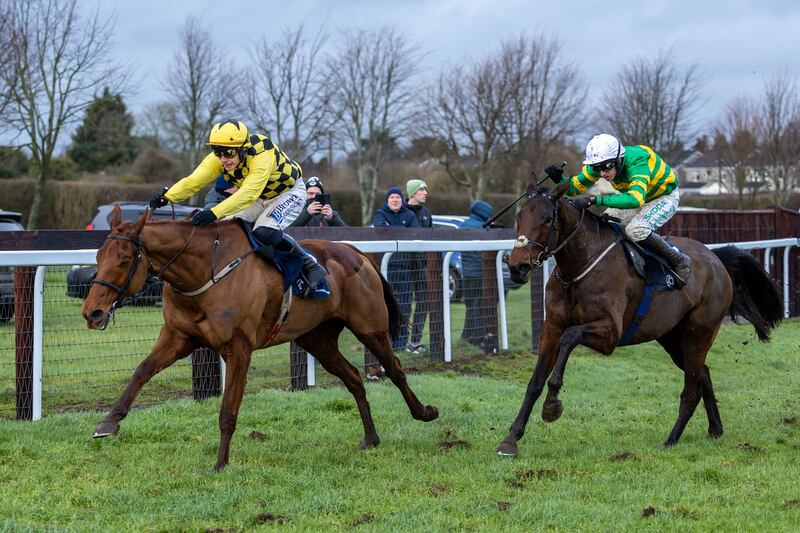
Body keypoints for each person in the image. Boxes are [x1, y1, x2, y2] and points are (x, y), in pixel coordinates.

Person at [148, 119, 327, 295]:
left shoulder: (262, 153)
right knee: (225, 229)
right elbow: (193, 181)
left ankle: (310, 264)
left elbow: (248, 193)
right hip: (260, 196)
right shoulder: (220, 158)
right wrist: (167, 197)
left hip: (288, 192)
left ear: (243, 148)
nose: (223, 159)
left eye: (228, 153)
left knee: (264, 231)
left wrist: (213, 212)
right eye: (218, 153)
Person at [545, 133, 691, 285]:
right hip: (639, 198)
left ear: (619, 159)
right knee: (604, 223)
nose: (602, 173)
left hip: (664, 198)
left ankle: (679, 260)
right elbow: (574, 189)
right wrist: (559, 179)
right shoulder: (601, 164)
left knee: (636, 230)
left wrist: (596, 199)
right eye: (597, 168)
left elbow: (635, 199)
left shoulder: (637, 160)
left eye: (606, 167)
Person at [373, 186, 420, 351]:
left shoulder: (409, 215)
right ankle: (388, 343)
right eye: (392, 197)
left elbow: (416, 233)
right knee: (388, 306)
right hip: (387, 269)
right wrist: (402, 231)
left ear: (402, 200)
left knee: (405, 306)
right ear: (387, 200)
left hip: (405, 269)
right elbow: (381, 230)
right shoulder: (380, 214)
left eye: (398, 198)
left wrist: (392, 229)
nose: (395, 200)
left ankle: (401, 343)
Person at [459, 200, 494, 348]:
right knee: (478, 307)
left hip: (467, 273)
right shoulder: (481, 228)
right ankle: (476, 338)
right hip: (479, 273)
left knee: (470, 305)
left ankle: (466, 336)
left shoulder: (465, 224)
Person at [404, 179, 432, 354]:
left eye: (425, 190)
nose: (425, 193)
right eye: (422, 190)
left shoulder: (427, 213)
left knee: (424, 302)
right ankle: (400, 341)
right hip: (405, 267)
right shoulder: (403, 211)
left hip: (422, 267)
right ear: (413, 192)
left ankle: (415, 341)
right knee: (404, 304)